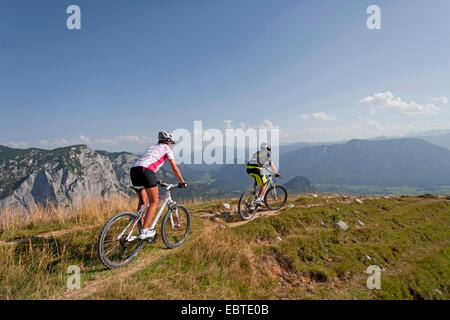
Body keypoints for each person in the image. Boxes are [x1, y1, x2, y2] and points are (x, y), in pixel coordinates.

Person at [130, 130, 186, 240]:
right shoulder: (166, 149)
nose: (171, 145)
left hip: (134, 170)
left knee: (142, 202)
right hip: (146, 170)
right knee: (154, 201)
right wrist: (182, 181)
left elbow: (147, 162)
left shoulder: (152, 147)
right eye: (171, 143)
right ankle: (144, 231)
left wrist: (154, 181)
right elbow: (174, 168)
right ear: (168, 141)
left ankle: (141, 227)